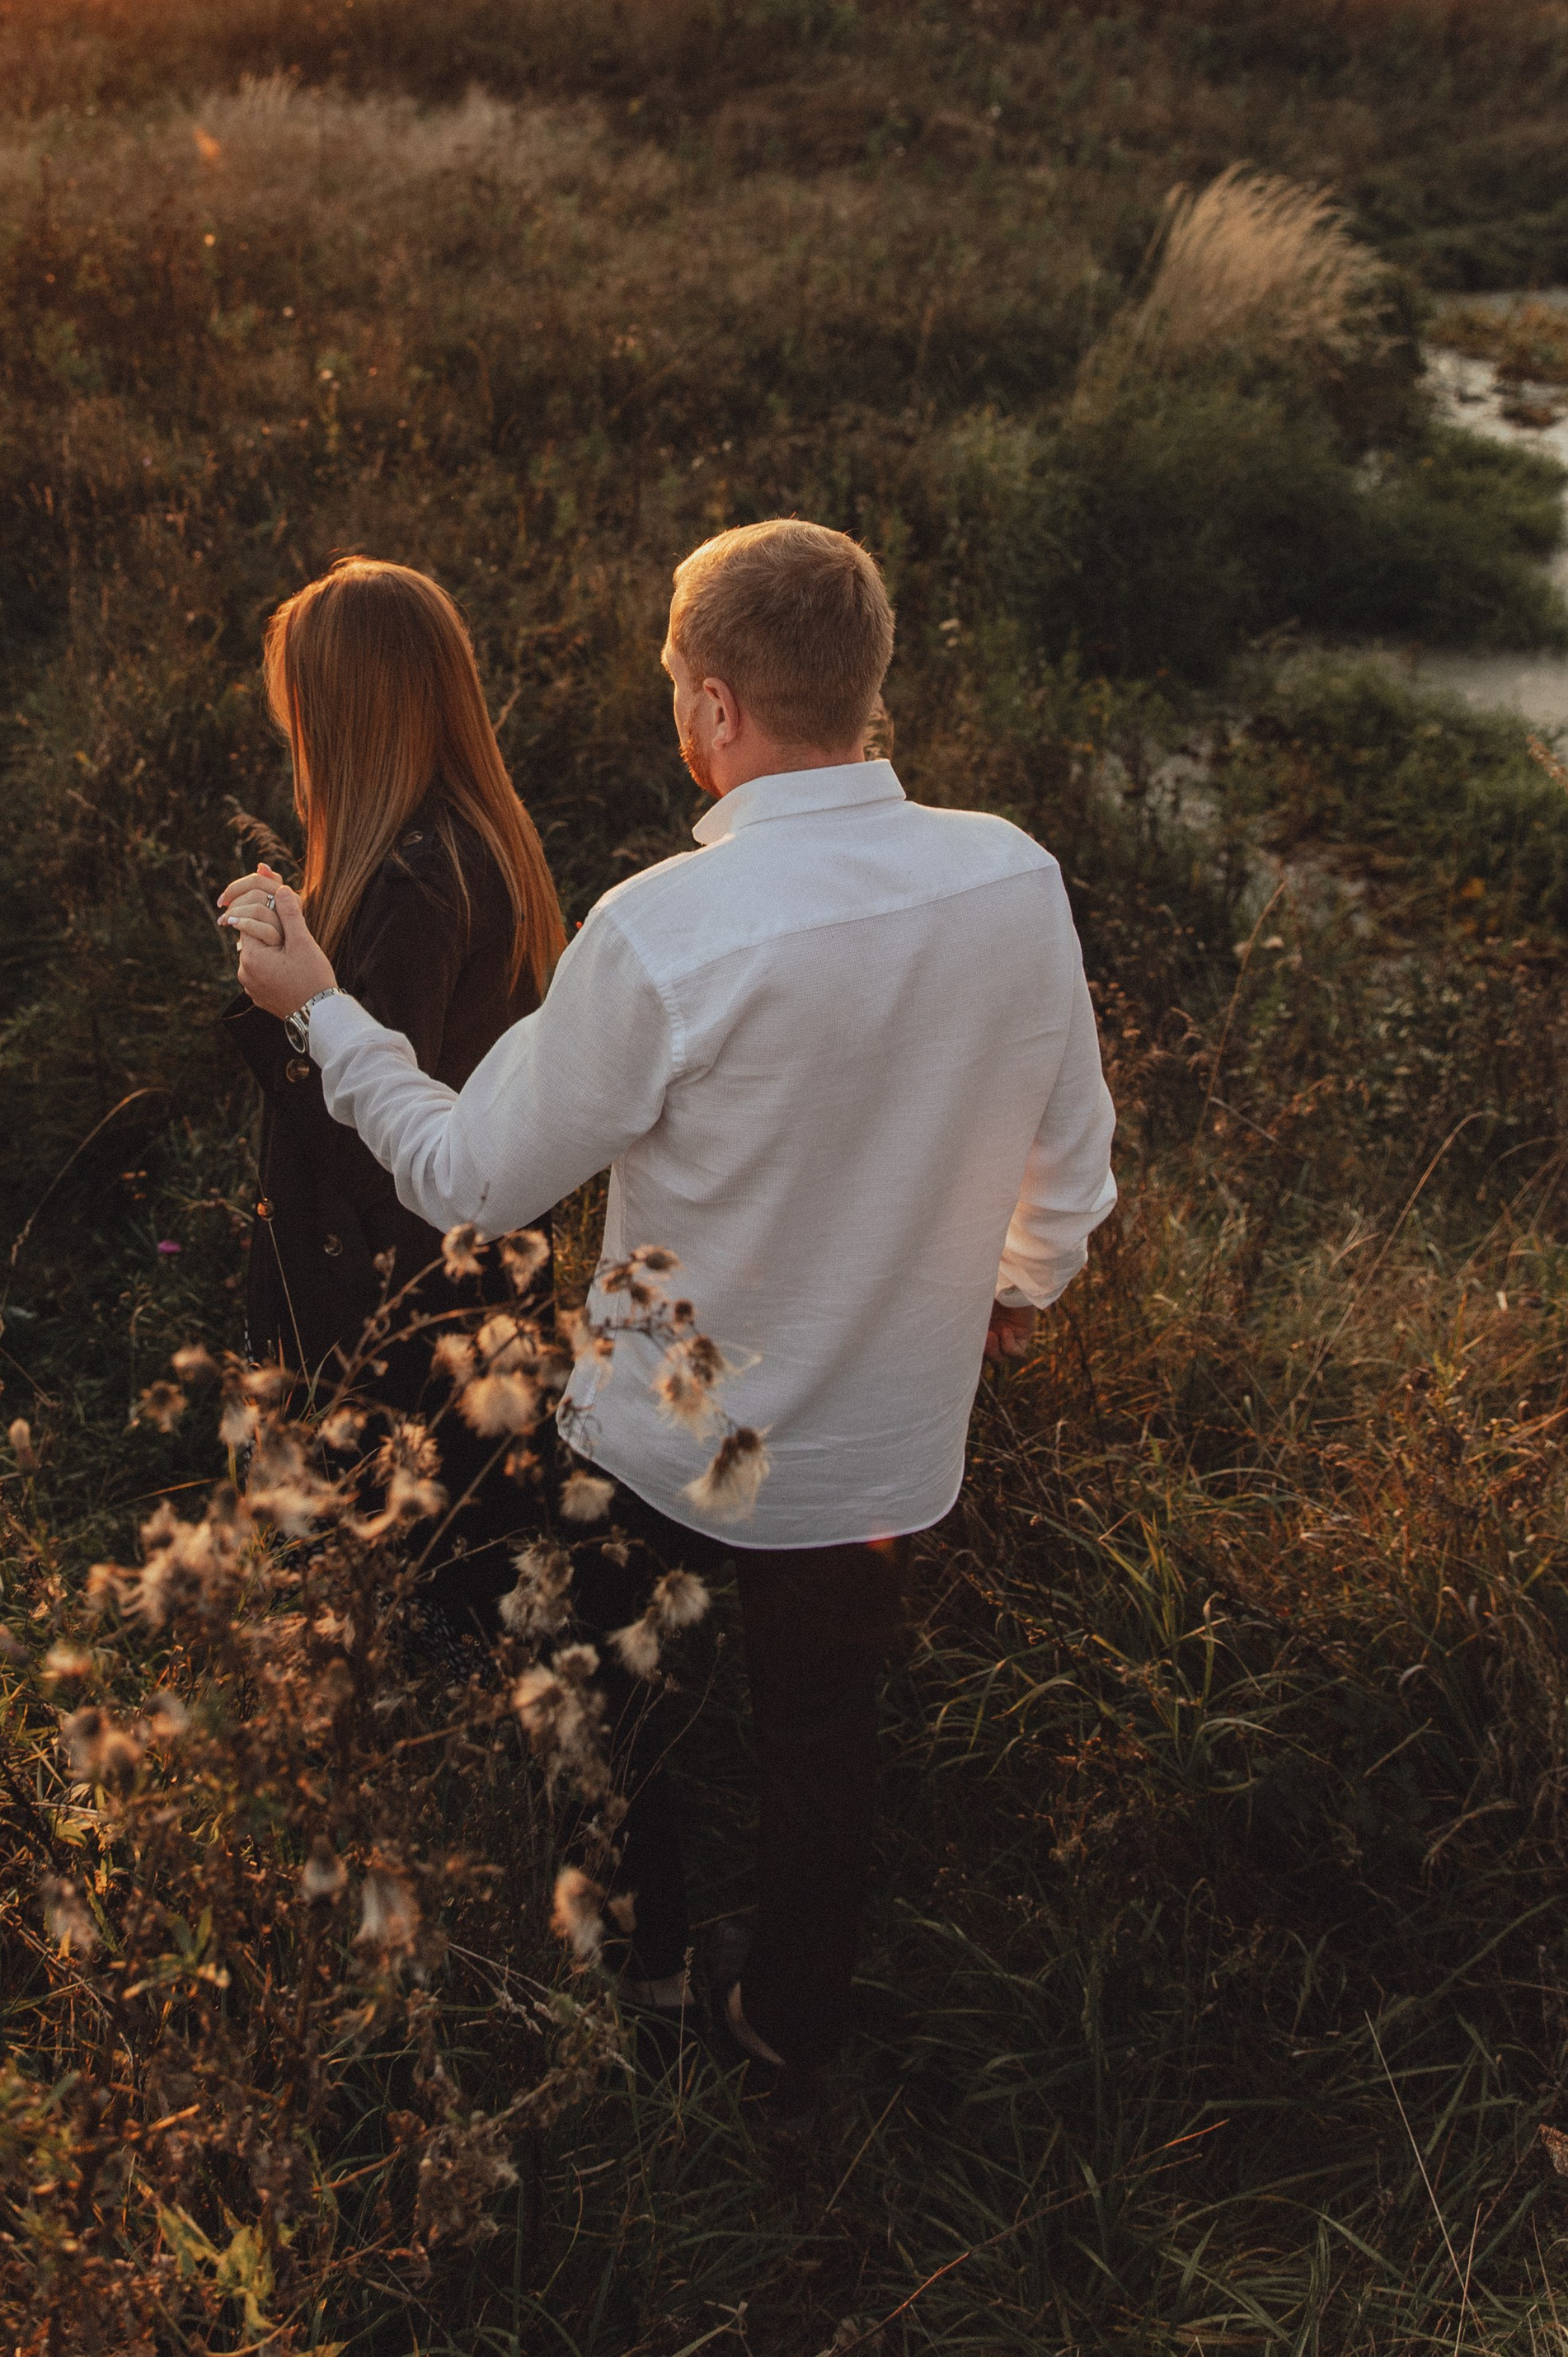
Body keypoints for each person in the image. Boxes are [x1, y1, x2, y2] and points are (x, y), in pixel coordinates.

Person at [228, 517, 1118, 2101]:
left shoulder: (667, 929)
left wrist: (325, 1013)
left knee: (610, 1705)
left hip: (659, 1446)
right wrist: (1016, 1295)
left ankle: (637, 1968)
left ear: (711, 707)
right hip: (877, 1458)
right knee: (820, 1739)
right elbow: (1073, 1166)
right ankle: (785, 2021)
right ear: (869, 681)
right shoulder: (1016, 876)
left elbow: (464, 1177)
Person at [217, 556, 565, 1620]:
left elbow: (380, 1141)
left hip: (396, 1322)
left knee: (402, 1589)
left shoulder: (418, 885)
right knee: (457, 1568)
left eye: (301, 719)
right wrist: (310, 941)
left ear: (345, 719)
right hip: (473, 1298)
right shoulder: (477, 849)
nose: (294, 746)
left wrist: (280, 1007)